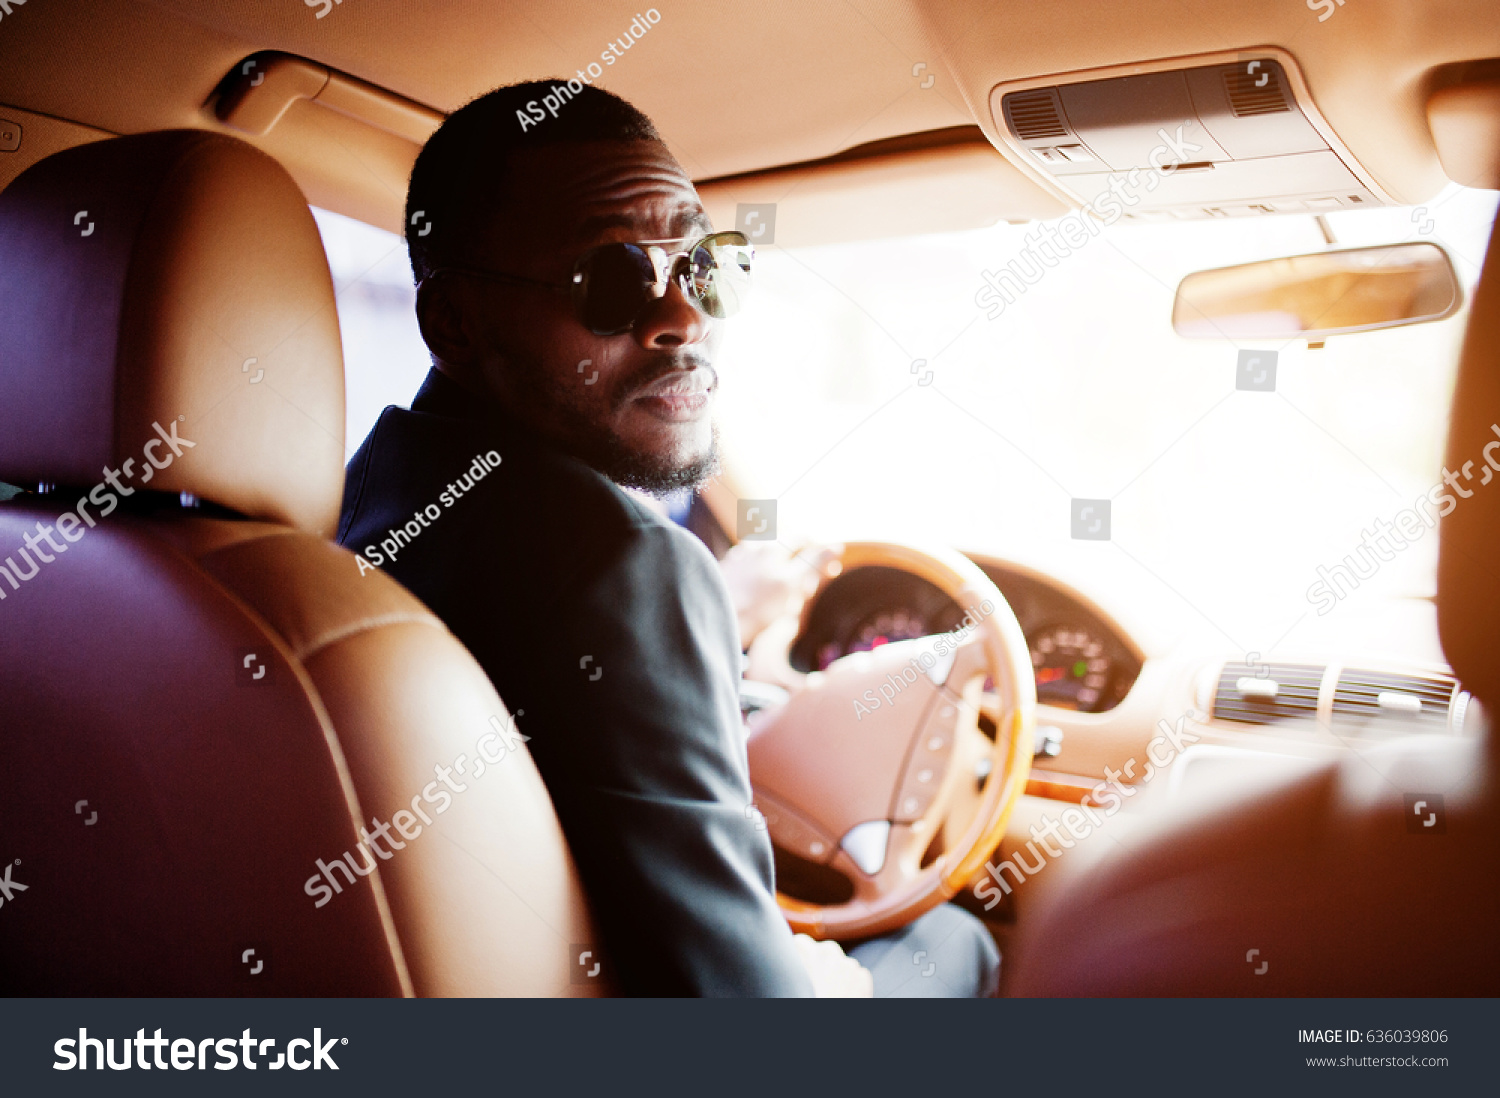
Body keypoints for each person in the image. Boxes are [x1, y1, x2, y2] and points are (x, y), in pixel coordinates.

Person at [338, 80, 999, 997]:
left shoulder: (367, 492)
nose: (682, 316)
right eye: (607, 278)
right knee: (956, 943)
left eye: (700, 265)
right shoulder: (621, 566)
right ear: (454, 320)